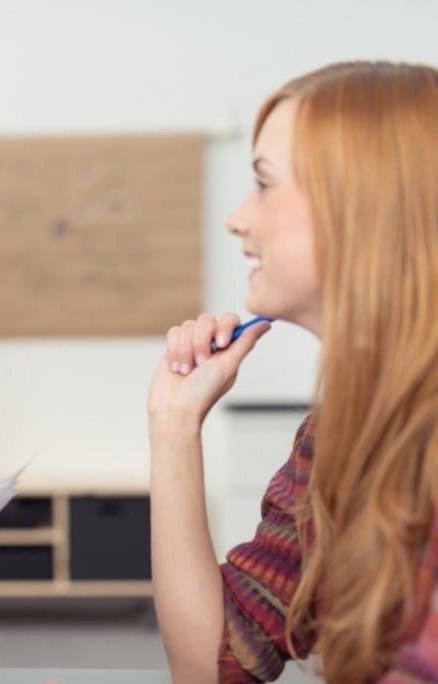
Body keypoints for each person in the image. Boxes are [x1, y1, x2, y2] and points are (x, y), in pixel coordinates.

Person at [148, 60, 438, 682]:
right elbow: (214, 666)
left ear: (363, 204)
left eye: (264, 183)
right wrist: (174, 425)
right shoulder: (338, 437)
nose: (237, 219)